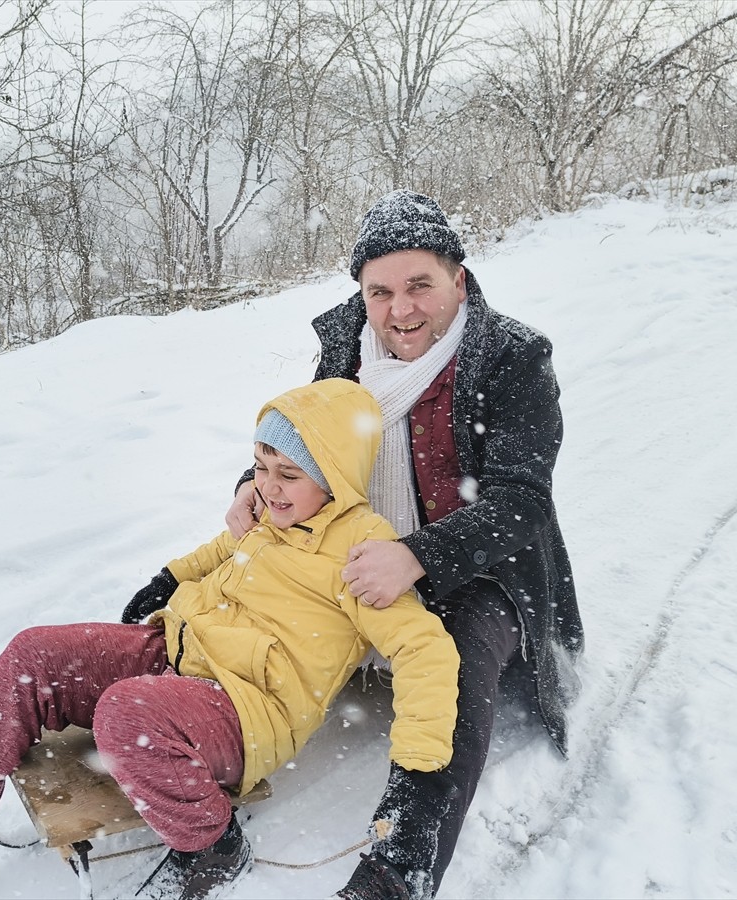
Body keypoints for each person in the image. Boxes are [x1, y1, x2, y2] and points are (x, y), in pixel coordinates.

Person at [0, 378, 459, 900]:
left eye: (289, 474)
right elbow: (220, 551)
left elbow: (425, 651)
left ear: (336, 474)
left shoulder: (363, 552)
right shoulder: (270, 514)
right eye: (260, 466)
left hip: (245, 709)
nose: (268, 487)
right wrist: (169, 579)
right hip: (178, 655)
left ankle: (212, 850)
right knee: (34, 654)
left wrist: (419, 777)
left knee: (125, 713)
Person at [223, 190, 585, 900]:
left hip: (478, 567)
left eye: (420, 285)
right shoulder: (345, 346)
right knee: (242, 602)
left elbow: (521, 502)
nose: (401, 310)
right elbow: (309, 434)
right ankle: (175, 741)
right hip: (354, 542)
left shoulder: (511, 356)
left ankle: (398, 868)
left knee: (452, 660)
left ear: (459, 278)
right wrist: (250, 485)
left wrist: (419, 556)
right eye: (380, 292)